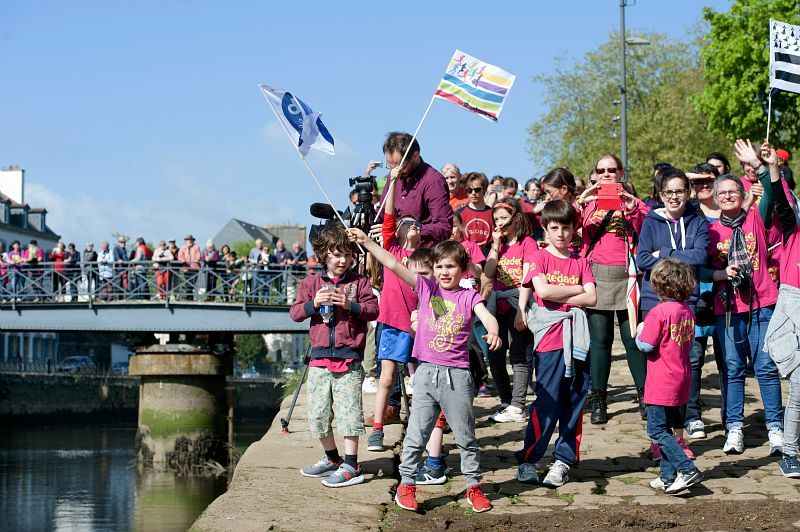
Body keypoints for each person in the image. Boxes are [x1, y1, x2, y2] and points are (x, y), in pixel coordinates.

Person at [348, 228, 501, 513]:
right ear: (433, 269)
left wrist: (493, 331)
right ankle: (406, 485)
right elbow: (393, 264)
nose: (444, 271)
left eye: (451, 266)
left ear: (462, 269)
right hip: (426, 374)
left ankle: (473, 487)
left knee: (466, 436)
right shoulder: (427, 289)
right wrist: (368, 243)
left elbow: (487, 317)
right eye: (439, 266)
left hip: (457, 376)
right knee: (416, 434)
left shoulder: (469, 297)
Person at [701, 139, 784, 456]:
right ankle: (733, 428)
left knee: (765, 368)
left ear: (741, 193)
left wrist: (760, 164)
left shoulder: (756, 220)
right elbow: (700, 271)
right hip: (728, 309)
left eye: (732, 190)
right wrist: (721, 274)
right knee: (733, 370)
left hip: (763, 304)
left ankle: (775, 429)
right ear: (716, 198)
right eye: (721, 193)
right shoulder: (709, 232)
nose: (726, 196)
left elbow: (773, 191)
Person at [514, 200, 596, 488]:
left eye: (566, 228)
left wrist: (560, 294)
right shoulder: (538, 258)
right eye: (555, 228)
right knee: (547, 401)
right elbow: (543, 290)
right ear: (546, 230)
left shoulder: (581, 261)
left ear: (575, 229)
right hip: (549, 340)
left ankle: (562, 460)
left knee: (574, 401)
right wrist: (576, 289)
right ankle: (529, 459)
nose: (561, 233)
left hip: (579, 340)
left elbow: (592, 299)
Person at [290, 225, 379, 488]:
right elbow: (295, 314)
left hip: (349, 358)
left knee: (349, 413)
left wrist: (349, 305)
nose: (343, 260)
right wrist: (313, 304)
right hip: (319, 359)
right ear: (323, 255)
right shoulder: (311, 283)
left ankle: (352, 464)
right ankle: (331, 458)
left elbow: (373, 310)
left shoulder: (359, 282)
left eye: (347, 254)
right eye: (336, 254)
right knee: (318, 414)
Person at [577, 154, 649, 425]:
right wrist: (583, 198)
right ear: (594, 174)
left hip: (628, 278)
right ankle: (599, 400)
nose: (606, 174)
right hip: (597, 277)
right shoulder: (587, 204)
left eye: (611, 170)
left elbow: (647, 230)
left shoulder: (634, 203)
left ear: (620, 172)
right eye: (601, 170)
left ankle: (644, 396)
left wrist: (631, 209)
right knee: (600, 342)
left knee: (633, 341)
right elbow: (567, 230)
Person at [635, 258, 704, 495]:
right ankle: (667, 476)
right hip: (682, 378)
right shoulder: (687, 312)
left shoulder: (659, 312)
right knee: (668, 427)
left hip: (661, 381)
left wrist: (639, 331)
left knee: (656, 430)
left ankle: (687, 469)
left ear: (659, 286)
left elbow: (645, 345)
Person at [366, 173, 424, 452]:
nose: (413, 225)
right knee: (386, 377)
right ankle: (377, 428)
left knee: (422, 380)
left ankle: (430, 425)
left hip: (420, 326)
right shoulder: (391, 248)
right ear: (398, 232)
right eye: (407, 223)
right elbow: (388, 216)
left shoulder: (427, 257)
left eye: (417, 223)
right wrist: (391, 183)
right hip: (392, 324)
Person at [483, 198, 536, 423]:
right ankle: (506, 401)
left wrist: (521, 310)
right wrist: (495, 246)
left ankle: (517, 405)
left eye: (504, 218)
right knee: (495, 354)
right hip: (498, 304)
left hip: (518, 302)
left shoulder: (527, 243)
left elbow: (528, 276)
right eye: (496, 219)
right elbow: (488, 273)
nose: (500, 223)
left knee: (519, 354)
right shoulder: (498, 245)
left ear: (516, 217)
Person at [764, 149, 800, 478]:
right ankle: (789, 451)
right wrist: (774, 170)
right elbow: (784, 207)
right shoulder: (793, 231)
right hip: (793, 308)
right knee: (799, 386)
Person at [684, 162, 725, 439]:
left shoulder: (733, 212)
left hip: (726, 296)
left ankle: (730, 414)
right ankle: (692, 415)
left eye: (709, 181)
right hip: (695, 293)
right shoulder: (688, 214)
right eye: (697, 182)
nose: (703, 186)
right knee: (694, 358)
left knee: (727, 360)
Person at [370, 132, 453, 248]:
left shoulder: (433, 181)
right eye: (390, 165)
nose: (395, 170)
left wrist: (405, 227)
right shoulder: (392, 176)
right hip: (393, 253)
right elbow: (381, 215)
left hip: (422, 257)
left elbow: (444, 228)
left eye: (400, 165)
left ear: (415, 156)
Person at [457, 172, 494, 253]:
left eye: (477, 190)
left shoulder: (493, 214)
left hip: (487, 257)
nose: (473, 193)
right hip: (465, 255)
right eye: (469, 190)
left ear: (484, 189)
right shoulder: (459, 213)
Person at [178, 235, 201, 300]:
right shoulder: (182, 248)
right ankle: (189, 297)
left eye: (190, 239)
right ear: (186, 241)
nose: (189, 241)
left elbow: (198, 256)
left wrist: (194, 261)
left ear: (193, 240)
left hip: (195, 268)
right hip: (186, 268)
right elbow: (180, 256)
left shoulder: (196, 247)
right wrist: (183, 260)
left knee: (193, 283)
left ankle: (189, 296)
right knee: (187, 283)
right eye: (188, 239)